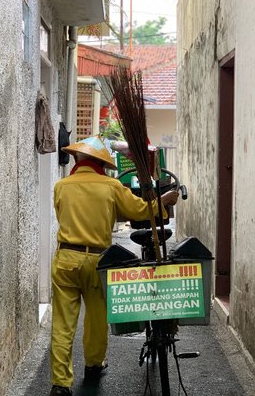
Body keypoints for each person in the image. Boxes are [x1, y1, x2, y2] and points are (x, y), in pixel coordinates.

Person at [49, 135, 179, 396]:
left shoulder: (61, 186)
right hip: (98, 260)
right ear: (102, 163)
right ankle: (94, 366)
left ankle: (60, 384)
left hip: (66, 259)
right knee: (96, 317)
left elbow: (66, 213)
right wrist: (163, 202)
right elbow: (141, 210)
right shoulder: (111, 186)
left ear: (76, 158)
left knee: (63, 324)